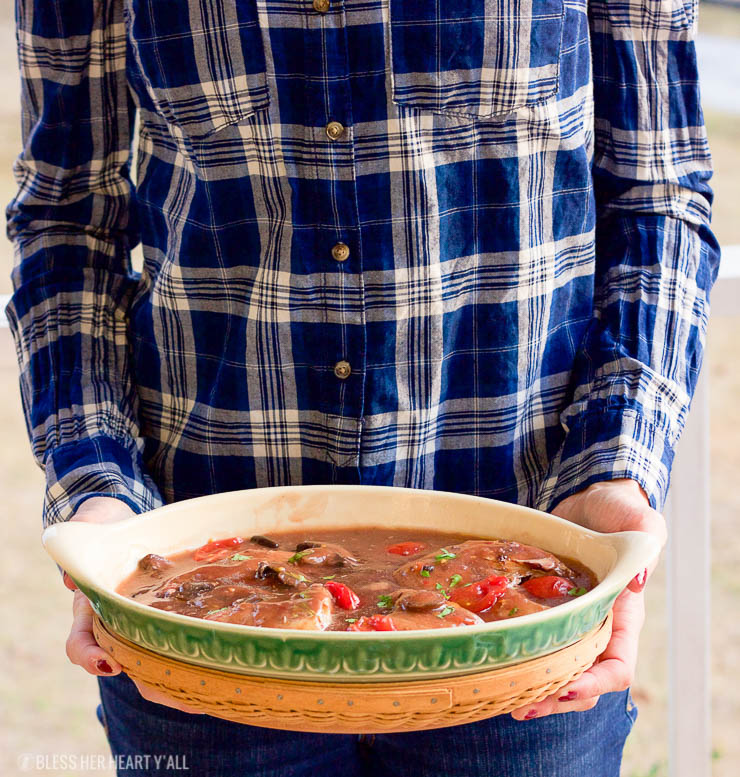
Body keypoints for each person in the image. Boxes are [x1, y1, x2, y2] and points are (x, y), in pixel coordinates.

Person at [5, 1, 719, 776]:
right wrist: (100, 498)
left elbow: (660, 197)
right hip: (199, 627)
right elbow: (66, 222)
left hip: (524, 625)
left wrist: (616, 469)